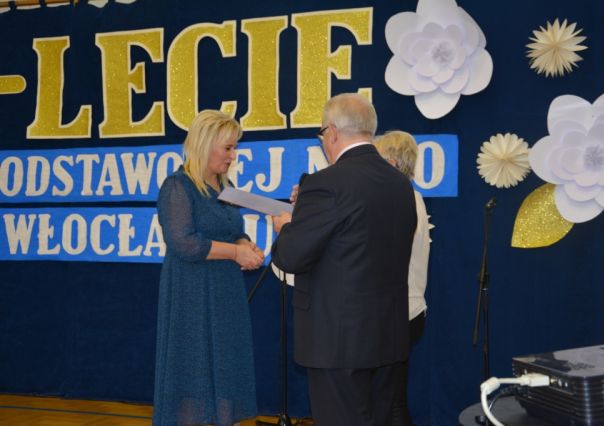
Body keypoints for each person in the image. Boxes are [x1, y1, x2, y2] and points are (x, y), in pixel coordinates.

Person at [271, 93, 417, 426]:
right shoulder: (400, 183)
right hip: (388, 335)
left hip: (338, 342)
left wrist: (286, 227)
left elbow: (291, 257)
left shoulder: (325, 184)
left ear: (333, 132)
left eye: (322, 134)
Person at [153, 110, 263, 426]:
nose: (233, 155)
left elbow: (232, 229)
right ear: (205, 144)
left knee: (226, 373)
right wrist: (236, 252)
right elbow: (185, 243)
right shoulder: (177, 186)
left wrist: (245, 244)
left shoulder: (226, 187)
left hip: (226, 294)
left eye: (234, 147)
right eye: (228, 148)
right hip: (192, 295)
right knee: (193, 374)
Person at [375, 130, 432, 426]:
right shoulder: (414, 198)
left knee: (388, 401)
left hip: (394, 314)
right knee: (391, 397)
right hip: (408, 312)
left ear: (392, 163)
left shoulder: (395, 202)